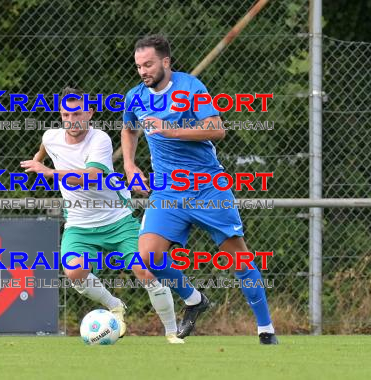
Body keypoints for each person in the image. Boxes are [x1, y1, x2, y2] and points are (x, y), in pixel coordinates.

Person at [121, 35, 278, 344]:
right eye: (139, 66)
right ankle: (194, 300)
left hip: (207, 188)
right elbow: (129, 129)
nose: (143, 71)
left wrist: (172, 130)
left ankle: (266, 329)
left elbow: (217, 129)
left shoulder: (190, 87)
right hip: (167, 192)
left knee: (240, 260)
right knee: (148, 257)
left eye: (148, 64)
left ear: (166, 62)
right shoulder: (135, 97)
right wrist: (129, 165)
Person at [21, 87, 204, 344]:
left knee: (145, 270)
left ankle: (172, 332)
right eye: (66, 114)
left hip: (117, 220)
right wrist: (36, 159)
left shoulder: (100, 139)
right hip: (79, 224)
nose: (72, 120)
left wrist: (49, 172)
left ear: (90, 114)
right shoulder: (52, 136)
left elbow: (92, 177)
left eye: (78, 113)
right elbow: (45, 145)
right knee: (74, 271)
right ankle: (115, 305)